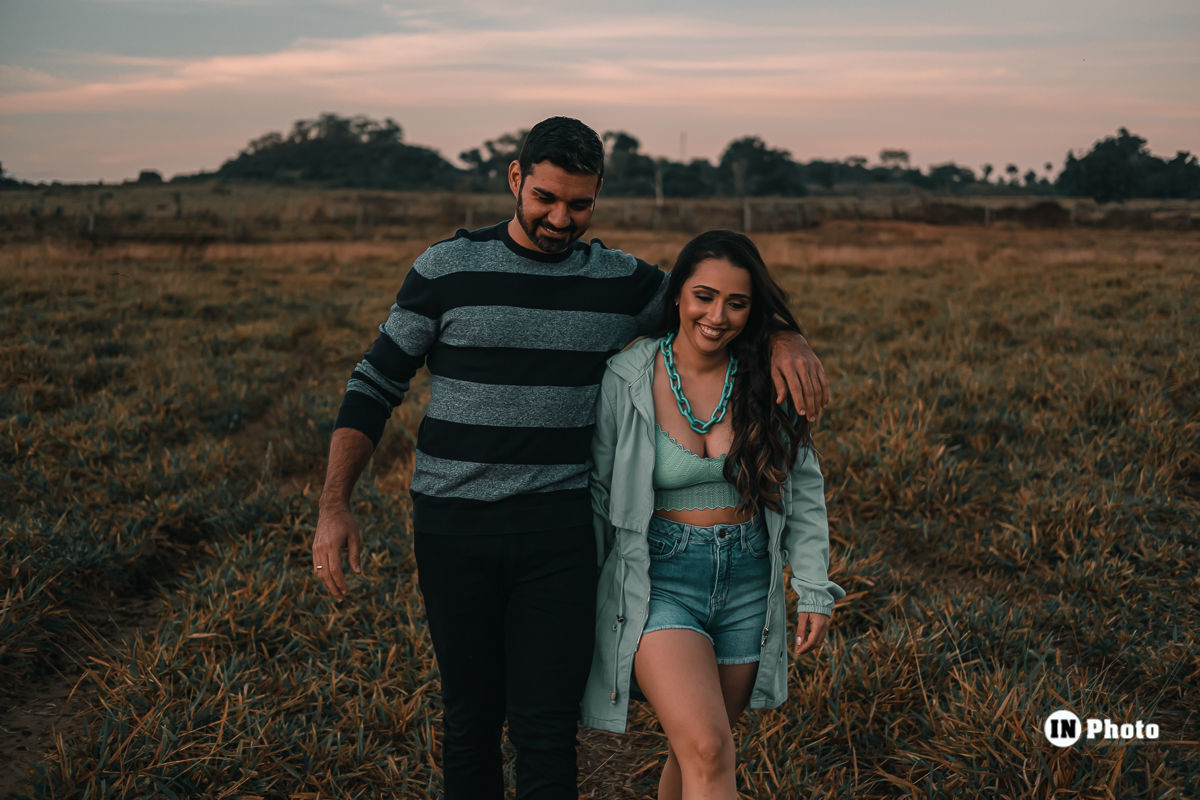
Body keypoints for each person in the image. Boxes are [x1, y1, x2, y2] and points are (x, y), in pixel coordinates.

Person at [310, 117, 829, 800]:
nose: (561, 218)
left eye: (579, 204)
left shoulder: (619, 282)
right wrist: (334, 504)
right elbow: (374, 383)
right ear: (515, 178)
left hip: (557, 535)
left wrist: (784, 335)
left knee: (546, 726)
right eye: (546, 198)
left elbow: (713, 303)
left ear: (597, 197)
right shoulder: (446, 269)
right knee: (470, 718)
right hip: (452, 527)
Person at [581, 229, 845, 799]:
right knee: (708, 748)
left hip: (749, 579)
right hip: (659, 578)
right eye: (704, 296)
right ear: (677, 295)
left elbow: (802, 486)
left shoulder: (765, 377)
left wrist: (815, 587)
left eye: (737, 303)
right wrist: (586, 598)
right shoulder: (628, 377)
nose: (717, 316)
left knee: (701, 749)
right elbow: (599, 495)